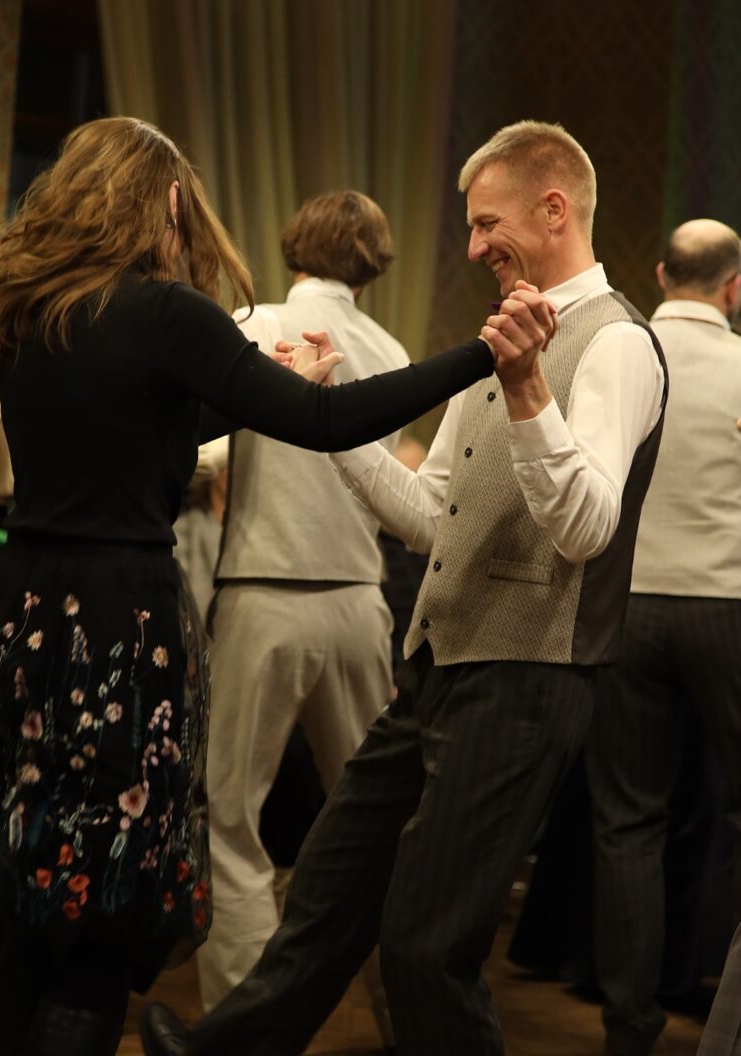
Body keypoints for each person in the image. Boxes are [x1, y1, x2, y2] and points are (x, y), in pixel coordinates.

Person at [141, 119, 667, 1056]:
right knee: (329, 893)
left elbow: (588, 529)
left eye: (486, 223)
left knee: (427, 947)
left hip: (527, 678)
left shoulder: (617, 343)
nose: (472, 247)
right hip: (434, 665)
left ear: (554, 209)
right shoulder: (502, 336)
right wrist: (328, 417)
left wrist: (528, 390)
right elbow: (432, 517)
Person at [0, 115, 498, 1056]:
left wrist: (241, 388)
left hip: (24, 614)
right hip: (119, 620)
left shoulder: (23, 308)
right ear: (168, 199)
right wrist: (482, 352)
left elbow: (131, 429)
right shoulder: (166, 313)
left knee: (27, 873)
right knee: (106, 906)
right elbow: (326, 421)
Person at [196, 190, 410, 1051]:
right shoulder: (388, 347)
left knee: (229, 820)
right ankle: (406, 1013)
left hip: (266, 592)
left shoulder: (257, 325)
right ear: (374, 261)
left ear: (294, 245)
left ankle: (241, 1026)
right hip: (359, 601)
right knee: (375, 829)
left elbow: (205, 452)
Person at [585, 219, 741, 1056]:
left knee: (627, 824)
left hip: (628, 606)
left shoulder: (620, 353)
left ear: (659, 273)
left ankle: (628, 1028)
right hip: (727, 603)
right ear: (734, 287)